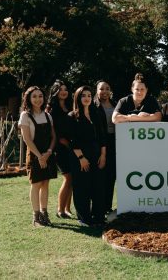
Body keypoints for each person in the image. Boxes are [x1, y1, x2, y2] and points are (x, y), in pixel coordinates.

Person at [19, 86, 57, 227]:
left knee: (45, 183)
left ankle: (44, 214)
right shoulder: (25, 116)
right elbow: (27, 139)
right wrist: (40, 157)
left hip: (47, 153)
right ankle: (36, 217)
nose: (37, 99)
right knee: (36, 184)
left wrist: (48, 153)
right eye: (34, 96)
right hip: (34, 154)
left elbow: (54, 137)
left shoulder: (48, 115)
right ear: (28, 98)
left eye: (40, 96)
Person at [68, 86, 107, 227]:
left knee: (98, 187)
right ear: (78, 98)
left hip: (97, 156)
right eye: (83, 95)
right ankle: (84, 218)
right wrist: (81, 158)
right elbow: (72, 141)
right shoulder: (72, 116)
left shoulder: (96, 113)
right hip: (80, 158)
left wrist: (103, 155)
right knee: (82, 188)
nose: (86, 98)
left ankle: (99, 217)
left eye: (89, 95)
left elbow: (103, 136)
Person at [47, 80, 74, 219]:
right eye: (60, 89)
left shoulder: (71, 106)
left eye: (65, 89)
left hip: (71, 146)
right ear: (55, 92)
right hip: (59, 148)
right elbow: (50, 130)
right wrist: (59, 140)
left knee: (72, 179)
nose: (64, 91)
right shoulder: (51, 109)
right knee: (68, 177)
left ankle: (68, 209)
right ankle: (60, 210)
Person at [94, 80, 117, 214]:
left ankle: (107, 206)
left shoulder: (116, 104)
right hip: (100, 143)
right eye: (101, 89)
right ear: (97, 91)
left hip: (114, 141)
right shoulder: (93, 106)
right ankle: (99, 207)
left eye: (107, 88)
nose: (105, 91)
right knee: (100, 175)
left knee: (111, 176)